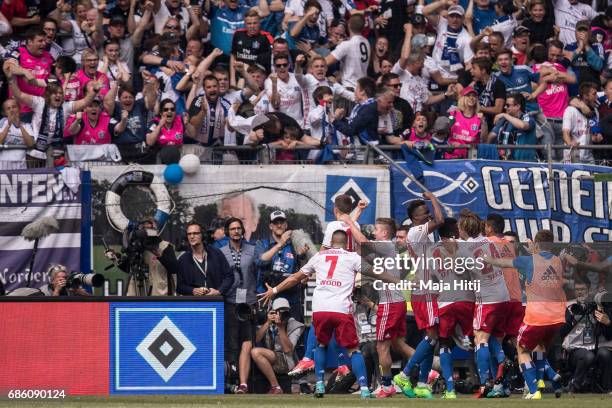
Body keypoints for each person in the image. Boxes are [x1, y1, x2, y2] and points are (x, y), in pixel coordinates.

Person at [258, 228, 373, 399]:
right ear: (347, 243)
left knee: (320, 345)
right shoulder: (352, 257)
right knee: (353, 351)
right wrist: (395, 280)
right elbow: (373, 271)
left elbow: (294, 278)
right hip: (342, 310)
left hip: (321, 310)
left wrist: (274, 289)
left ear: (331, 242)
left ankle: (319, 384)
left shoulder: (319, 257)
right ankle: (364, 388)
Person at [484, 229, 566, 400]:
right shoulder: (558, 261)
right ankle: (550, 374)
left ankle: (535, 390)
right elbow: (545, 263)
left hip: (537, 315)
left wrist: (486, 259)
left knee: (522, 349)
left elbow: (504, 263)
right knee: (540, 346)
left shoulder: (528, 260)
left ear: (535, 244)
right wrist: (535, 251)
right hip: (557, 317)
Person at [341, 216, 414, 398]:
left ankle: (387, 385)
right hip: (396, 303)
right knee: (399, 345)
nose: (374, 232)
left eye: (376, 229)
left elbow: (364, 242)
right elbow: (364, 254)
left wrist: (349, 222)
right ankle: (430, 373)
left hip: (390, 304)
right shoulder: (386, 250)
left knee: (381, 347)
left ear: (385, 233)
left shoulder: (388, 245)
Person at [394, 192, 445, 399]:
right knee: (432, 337)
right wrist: (433, 197)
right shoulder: (415, 232)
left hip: (426, 291)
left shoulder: (422, 234)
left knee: (431, 338)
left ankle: (423, 383)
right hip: (424, 292)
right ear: (416, 218)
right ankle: (405, 375)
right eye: (425, 213)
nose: (429, 215)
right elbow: (440, 219)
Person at [430, 218, 474, 399]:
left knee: (444, 343)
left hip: (445, 301)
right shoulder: (465, 248)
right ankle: (485, 382)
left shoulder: (433, 252)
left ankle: (449, 389)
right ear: (455, 233)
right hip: (466, 300)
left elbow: (432, 281)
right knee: (478, 340)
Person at [220, 217, 259, 394]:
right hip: (229, 301)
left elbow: (260, 269)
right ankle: (230, 381)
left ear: (243, 230)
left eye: (238, 228)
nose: (236, 231)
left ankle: (243, 383)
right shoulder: (220, 252)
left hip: (248, 302)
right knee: (231, 343)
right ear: (227, 232)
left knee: (247, 343)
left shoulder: (253, 249)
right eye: (232, 229)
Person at [560, 279, 612, 393]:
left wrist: (607, 321)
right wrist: (572, 319)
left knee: (605, 354)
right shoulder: (569, 306)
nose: (580, 292)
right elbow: (561, 333)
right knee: (588, 356)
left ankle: (605, 388)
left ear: (588, 291)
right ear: (574, 291)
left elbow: (608, 335)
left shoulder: (596, 305)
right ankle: (574, 386)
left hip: (595, 347)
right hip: (576, 349)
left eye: (582, 289)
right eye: (577, 289)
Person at [256, 210, 309, 321]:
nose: (279, 225)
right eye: (276, 223)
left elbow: (303, 270)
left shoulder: (294, 245)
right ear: (271, 226)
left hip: (292, 299)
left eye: (281, 222)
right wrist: (280, 244)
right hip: (268, 296)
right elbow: (260, 261)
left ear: (286, 225)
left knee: (293, 334)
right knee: (267, 334)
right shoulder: (262, 243)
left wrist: (303, 255)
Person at [251, 297, 305, 394]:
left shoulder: (296, 325)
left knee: (256, 352)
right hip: (271, 357)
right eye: (278, 312)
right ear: (273, 311)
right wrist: (267, 323)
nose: (281, 314)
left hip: (287, 361)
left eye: (284, 312)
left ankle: (276, 387)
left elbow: (288, 350)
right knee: (254, 351)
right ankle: (276, 386)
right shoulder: (268, 321)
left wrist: (281, 327)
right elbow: (256, 340)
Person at [123, 217, 179, 296]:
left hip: (161, 294)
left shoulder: (165, 246)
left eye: (149, 228)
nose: (146, 232)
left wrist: (158, 253)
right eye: (144, 229)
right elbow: (129, 267)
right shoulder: (139, 247)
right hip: (139, 293)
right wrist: (115, 259)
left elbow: (174, 268)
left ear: (156, 229)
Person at [177, 221, 234, 297]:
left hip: (215, 303)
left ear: (202, 235)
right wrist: (192, 290)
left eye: (195, 233)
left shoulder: (216, 254)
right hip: (193, 304)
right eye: (189, 234)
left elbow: (229, 276)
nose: (192, 236)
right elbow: (180, 286)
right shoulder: (183, 259)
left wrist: (219, 291)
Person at [489, 93, 538, 161]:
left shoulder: (528, 118)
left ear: (517, 106)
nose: (505, 107)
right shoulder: (504, 120)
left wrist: (504, 115)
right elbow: (491, 136)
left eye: (508, 105)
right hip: (504, 162)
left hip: (524, 163)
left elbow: (522, 125)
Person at [326, 14, 370, 89]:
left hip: (349, 88)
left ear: (348, 25)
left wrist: (310, 51)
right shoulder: (366, 42)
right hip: (361, 88)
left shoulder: (347, 44)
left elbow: (325, 62)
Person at [562, 82, 598, 164]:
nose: (597, 96)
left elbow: (592, 135)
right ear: (585, 96)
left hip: (589, 157)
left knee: (595, 176)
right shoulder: (570, 110)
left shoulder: (595, 111)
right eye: (594, 94)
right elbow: (565, 134)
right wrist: (570, 143)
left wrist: (595, 137)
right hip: (573, 157)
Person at [445, 86, 486, 159]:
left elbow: (483, 139)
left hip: (470, 157)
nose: (471, 98)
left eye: (474, 96)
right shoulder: (453, 114)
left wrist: (483, 123)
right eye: (468, 96)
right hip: (452, 156)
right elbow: (445, 132)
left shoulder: (479, 118)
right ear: (462, 98)